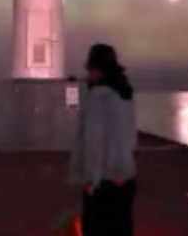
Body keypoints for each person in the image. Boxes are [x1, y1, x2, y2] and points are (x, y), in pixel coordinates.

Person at [68, 43, 137, 236]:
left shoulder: (98, 96)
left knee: (96, 228)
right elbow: (131, 136)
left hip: (105, 180)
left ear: (94, 67)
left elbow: (94, 141)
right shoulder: (124, 92)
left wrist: (90, 179)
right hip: (126, 175)